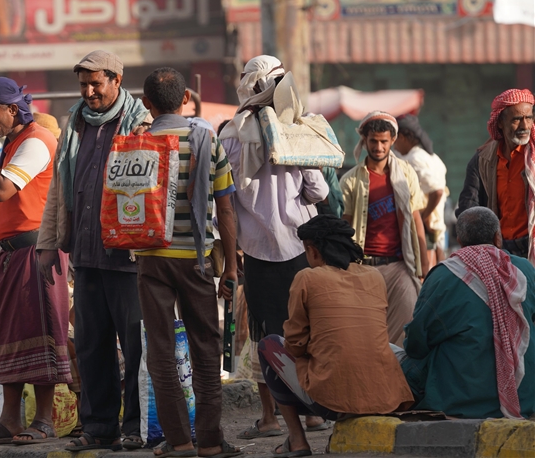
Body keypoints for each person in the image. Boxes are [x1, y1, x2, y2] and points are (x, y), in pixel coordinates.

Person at [38, 50, 150, 450]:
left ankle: (135, 428)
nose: (89, 92)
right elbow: (58, 188)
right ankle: (99, 428)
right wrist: (48, 243)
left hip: (126, 257)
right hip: (85, 254)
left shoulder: (141, 122)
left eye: (96, 84)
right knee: (90, 346)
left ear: (117, 80)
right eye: (83, 85)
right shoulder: (76, 124)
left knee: (135, 348)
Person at [132, 67, 240, 458]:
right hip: (194, 258)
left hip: (148, 258)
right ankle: (209, 441)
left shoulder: (136, 140)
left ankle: (179, 441)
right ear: (185, 101)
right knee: (205, 348)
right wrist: (228, 265)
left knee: (160, 351)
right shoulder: (206, 140)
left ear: (146, 104)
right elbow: (225, 210)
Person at [219, 56, 329, 439]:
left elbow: (225, 205)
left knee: (267, 338)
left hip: (256, 255)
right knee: (305, 332)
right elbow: (319, 190)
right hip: (299, 250)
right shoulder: (293, 128)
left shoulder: (229, 136)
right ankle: (313, 412)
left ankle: (270, 418)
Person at [0, 77, 70, 445]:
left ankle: (44, 420)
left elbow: (3, 190)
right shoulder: (15, 143)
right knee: (10, 336)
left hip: (36, 253)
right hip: (12, 255)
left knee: (40, 333)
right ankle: (10, 419)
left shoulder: (37, 141)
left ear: (12, 110)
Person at [257, 215, 414, 457]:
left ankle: (297, 440)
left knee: (268, 345)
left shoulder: (307, 278)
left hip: (331, 401)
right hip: (386, 395)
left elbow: (295, 344)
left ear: (313, 251)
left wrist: (315, 346)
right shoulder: (374, 276)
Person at [398, 207, 535, 419]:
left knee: (393, 356)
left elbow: (416, 343)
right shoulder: (525, 270)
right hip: (525, 398)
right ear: (497, 238)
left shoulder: (444, 275)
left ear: (460, 240)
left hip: (458, 399)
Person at [340, 111, 428, 346]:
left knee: (407, 327)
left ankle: (399, 381)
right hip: (364, 267)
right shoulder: (350, 180)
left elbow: (416, 219)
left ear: (392, 141)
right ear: (365, 141)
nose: (378, 147)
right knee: (366, 333)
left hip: (400, 266)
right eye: (373, 141)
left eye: (383, 141)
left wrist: (425, 266)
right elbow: (346, 228)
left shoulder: (405, 173)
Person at [457, 89, 534, 263]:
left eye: (528, 118)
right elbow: (468, 208)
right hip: (498, 252)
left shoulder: (533, 158)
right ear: (500, 122)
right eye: (516, 119)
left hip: (532, 248)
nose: (524, 126)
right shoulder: (482, 161)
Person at [393, 115, 448, 267]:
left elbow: (437, 191)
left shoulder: (413, 159)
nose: (394, 146)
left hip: (427, 229)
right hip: (437, 229)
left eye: (395, 140)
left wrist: (424, 215)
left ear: (403, 137)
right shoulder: (431, 157)